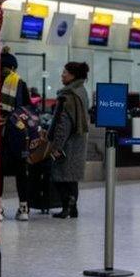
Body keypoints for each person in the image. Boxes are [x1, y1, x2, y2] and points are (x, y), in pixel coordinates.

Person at [49, 62, 90, 219]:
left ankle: (67, 206)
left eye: (65, 72)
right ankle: (73, 208)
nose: (62, 75)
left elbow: (63, 124)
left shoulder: (68, 96)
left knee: (60, 176)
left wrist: (57, 146)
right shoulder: (82, 92)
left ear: (73, 76)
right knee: (72, 178)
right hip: (79, 141)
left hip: (68, 143)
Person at [0, 47, 31, 221]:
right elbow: (27, 109)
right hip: (18, 135)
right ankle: (24, 208)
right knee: (21, 171)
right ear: (14, 67)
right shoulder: (20, 83)